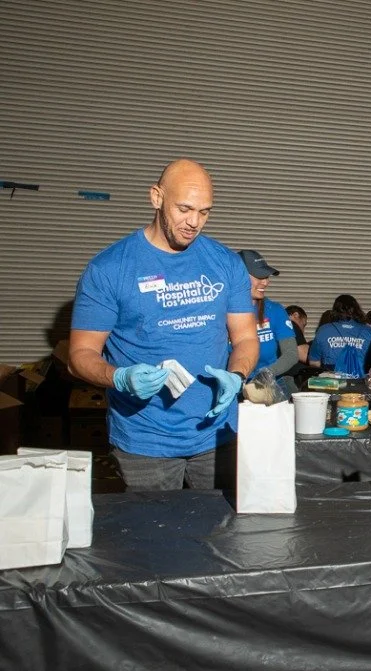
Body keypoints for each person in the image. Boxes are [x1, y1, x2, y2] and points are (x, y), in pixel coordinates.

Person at [68, 159, 258, 491]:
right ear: (156, 197)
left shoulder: (227, 263)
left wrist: (237, 375)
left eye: (204, 211)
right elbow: (80, 355)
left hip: (217, 433)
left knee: (222, 536)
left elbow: (244, 337)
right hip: (145, 442)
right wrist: (119, 377)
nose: (194, 222)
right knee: (154, 538)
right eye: (184, 209)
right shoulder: (109, 269)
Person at [239, 249, 298, 395]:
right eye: (259, 276)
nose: (265, 282)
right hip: (235, 390)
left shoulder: (275, 310)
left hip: (268, 389)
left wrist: (267, 373)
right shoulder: (222, 313)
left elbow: (291, 354)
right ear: (239, 276)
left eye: (266, 276)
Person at [308, 294, 371, 377]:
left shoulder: (323, 330)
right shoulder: (369, 332)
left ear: (335, 310)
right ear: (357, 310)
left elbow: (314, 363)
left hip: (332, 383)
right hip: (360, 382)